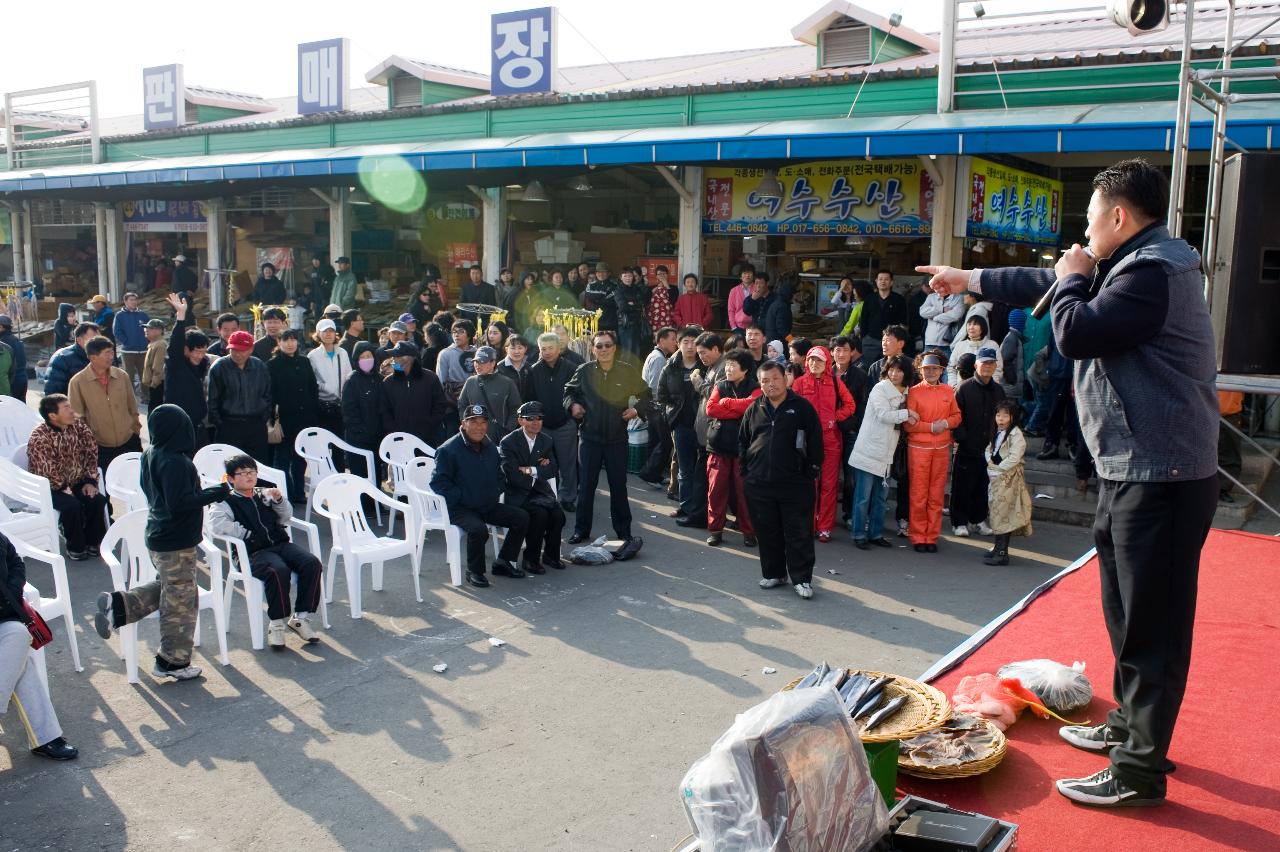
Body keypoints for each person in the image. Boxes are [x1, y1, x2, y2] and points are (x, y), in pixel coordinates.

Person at [918, 158, 1219, 807]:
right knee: (1125, 613)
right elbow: (1049, 280)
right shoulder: (1129, 265)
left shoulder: (1153, 272)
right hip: (1130, 467)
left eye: (1089, 219)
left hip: (1160, 473)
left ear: (1117, 216)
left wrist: (1072, 281)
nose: (1081, 236)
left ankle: (1140, 772)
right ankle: (1130, 730)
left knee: (1151, 627)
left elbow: (1076, 330)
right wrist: (967, 277)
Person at [94, 404, 231, 681]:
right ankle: (172, 662)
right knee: (181, 603)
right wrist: (218, 492)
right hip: (176, 542)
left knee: (172, 588)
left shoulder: (151, 453)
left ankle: (118, 607)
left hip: (158, 536)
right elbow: (179, 503)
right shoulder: (177, 462)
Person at [208, 454, 324, 647]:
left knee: (311, 563)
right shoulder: (225, 501)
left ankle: (301, 618)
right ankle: (276, 625)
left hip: (279, 544)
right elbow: (217, 525)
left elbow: (286, 517)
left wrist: (279, 501)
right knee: (278, 570)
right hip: (252, 551)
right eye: (243, 473)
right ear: (230, 478)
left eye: (252, 471)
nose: (249, 476)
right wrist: (247, 534)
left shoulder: (264, 494)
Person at [738, 360, 823, 599]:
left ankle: (802, 579)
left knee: (798, 532)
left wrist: (811, 470)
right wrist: (746, 471)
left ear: (785, 379)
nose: (771, 384)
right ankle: (774, 573)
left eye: (775, 378)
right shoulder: (755, 408)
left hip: (795, 483)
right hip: (759, 483)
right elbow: (743, 441)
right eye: (765, 381)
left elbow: (815, 443)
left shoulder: (802, 408)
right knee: (767, 531)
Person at [562, 330, 649, 558]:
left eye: (607, 345)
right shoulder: (585, 371)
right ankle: (581, 530)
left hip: (616, 439)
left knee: (618, 487)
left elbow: (646, 393)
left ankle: (624, 532)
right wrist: (573, 406)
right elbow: (568, 392)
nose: (603, 349)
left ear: (614, 348)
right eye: (598, 346)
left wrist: (636, 409)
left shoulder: (626, 371)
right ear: (592, 349)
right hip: (589, 438)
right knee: (587, 486)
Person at [430, 404, 530, 588]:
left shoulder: (489, 445)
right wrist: (462, 496)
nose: (479, 427)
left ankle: (504, 562)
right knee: (478, 530)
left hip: (486, 503)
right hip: (461, 508)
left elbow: (500, 475)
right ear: (463, 424)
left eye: (483, 422)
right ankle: (474, 571)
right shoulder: (448, 449)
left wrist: (493, 491)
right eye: (473, 422)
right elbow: (438, 483)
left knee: (521, 518)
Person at [0, 531, 78, 761]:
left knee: (18, 636)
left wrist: (12, 591)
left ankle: (45, 737)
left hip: (3, 620)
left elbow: (15, 561)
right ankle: (46, 737)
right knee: (21, 664)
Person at [27, 394, 109, 559]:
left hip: (77, 480)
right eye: (67, 408)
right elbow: (46, 469)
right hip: (49, 486)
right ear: (52, 416)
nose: (72, 412)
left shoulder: (78, 426)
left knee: (96, 499)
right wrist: (64, 487)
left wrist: (90, 481)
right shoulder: (39, 437)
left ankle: (94, 542)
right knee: (72, 506)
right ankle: (76, 547)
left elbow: (91, 453)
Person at [790, 345, 856, 542]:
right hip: (807, 440)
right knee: (809, 483)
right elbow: (792, 407)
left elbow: (850, 405)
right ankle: (807, 524)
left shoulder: (835, 382)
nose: (814, 363)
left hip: (831, 439)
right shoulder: (800, 383)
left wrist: (834, 418)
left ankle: (825, 527)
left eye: (819, 360)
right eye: (811, 359)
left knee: (828, 485)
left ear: (827, 362)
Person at [849, 356, 915, 549]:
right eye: (891, 369)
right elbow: (883, 415)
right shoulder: (880, 388)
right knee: (863, 497)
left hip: (887, 452)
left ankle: (875, 533)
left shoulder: (907, 393)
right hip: (869, 450)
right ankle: (859, 534)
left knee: (880, 497)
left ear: (906, 373)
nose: (894, 374)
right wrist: (907, 414)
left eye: (899, 370)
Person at [498, 401, 566, 574]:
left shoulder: (546, 440)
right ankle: (530, 559)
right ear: (520, 421)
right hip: (518, 492)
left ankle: (551, 556)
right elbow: (512, 474)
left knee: (558, 515)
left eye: (539, 418)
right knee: (540, 515)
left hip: (541, 491)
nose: (536, 423)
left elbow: (553, 469)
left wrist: (530, 469)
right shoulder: (509, 442)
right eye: (530, 419)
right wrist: (539, 471)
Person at [904, 350, 960, 553]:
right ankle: (919, 536)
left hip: (941, 448)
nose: (931, 372)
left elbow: (957, 416)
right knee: (919, 494)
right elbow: (909, 425)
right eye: (927, 369)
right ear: (920, 370)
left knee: (936, 495)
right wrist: (930, 427)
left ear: (941, 370)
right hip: (919, 448)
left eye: (934, 369)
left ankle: (932, 536)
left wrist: (946, 422)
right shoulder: (914, 392)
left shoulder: (947, 391)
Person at [704, 350, 760, 547]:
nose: (728, 369)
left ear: (744, 369)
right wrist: (736, 410)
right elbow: (711, 409)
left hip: (744, 450)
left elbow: (751, 406)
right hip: (718, 445)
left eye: (732, 365)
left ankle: (748, 531)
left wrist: (727, 403)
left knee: (745, 493)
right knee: (716, 491)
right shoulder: (720, 385)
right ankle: (715, 530)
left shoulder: (755, 387)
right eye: (727, 365)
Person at [951, 347, 1006, 537]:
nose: (988, 366)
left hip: (989, 448)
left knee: (983, 486)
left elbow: (1003, 417)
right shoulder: (964, 388)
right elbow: (955, 416)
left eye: (991, 363)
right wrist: (962, 437)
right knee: (962, 487)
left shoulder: (998, 390)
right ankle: (959, 522)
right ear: (976, 365)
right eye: (984, 363)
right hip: (967, 446)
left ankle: (979, 519)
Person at [68, 336, 143, 474]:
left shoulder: (121, 376)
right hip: (100, 447)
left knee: (136, 481)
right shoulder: (78, 382)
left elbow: (132, 406)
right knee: (105, 487)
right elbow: (77, 418)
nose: (111, 356)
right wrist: (88, 443)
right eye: (107, 353)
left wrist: (135, 430)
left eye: (112, 352)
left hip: (128, 440)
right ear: (93, 357)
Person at [527, 332, 580, 513]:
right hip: (542, 425)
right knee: (544, 464)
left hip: (565, 423)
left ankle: (568, 497)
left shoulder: (571, 368)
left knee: (568, 464)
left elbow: (577, 396)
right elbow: (530, 398)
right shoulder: (533, 370)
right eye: (543, 349)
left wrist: (572, 417)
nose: (547, 352)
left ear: (559, 348)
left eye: (551, 348)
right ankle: (547, 496)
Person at [657, 327, 703, 524]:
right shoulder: (671, 367)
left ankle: (701, 509)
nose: (690, 346)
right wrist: (672, 413)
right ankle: (686, 507)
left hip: (702, 425)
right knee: (685, 469)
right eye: (685, 342)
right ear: (678, 344)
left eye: (694, 342)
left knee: (702, 470)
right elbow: (662, 395)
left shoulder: (706, 366)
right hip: (681, 425)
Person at [268, 329, 320, 500]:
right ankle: (285, 492)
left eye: (293, 340)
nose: (290, 343)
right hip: (283, 418)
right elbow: (270, 393)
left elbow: (313, 388)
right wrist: (272, 417)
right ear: (279, 343)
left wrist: (313, 413)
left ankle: (299, 492)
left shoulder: (304, 362)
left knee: (300, 458)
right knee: (282, 459)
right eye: (286, 340)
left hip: (305, 418)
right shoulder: (272, 364)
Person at [207, 330, 273, 462]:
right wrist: (220, 424)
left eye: (242, 350)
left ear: (250, 349)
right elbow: (212, 400)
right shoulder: (219, 367)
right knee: (228, 466)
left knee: (258, 465)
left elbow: (267, 395)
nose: (237, 354)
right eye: (233, 350)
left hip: (256, 424)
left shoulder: (259, 366)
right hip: (229, 424)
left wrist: (263, 418)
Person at [984, 400, 1032, 566]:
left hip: (1008, 478)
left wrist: (998, 469)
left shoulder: (1016, 434)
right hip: (996, 475)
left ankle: (1002, 552)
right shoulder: (997, 432)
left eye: (1005, 415)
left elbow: (1015, 456)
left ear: (1013, 417)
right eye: (998, 415)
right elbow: (989, 449)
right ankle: (997, 547)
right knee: (996, 511)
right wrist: (990, 462)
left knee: (1003, 513)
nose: (1001, 418)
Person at [163, 294, 212, 447]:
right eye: (196, 351)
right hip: (177, 425)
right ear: (186, 349)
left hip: (198, 426)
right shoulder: (176, 365)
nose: (200, 356)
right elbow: (175, 344)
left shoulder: (203, 364)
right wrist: (181, 315)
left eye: (203, 351)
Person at [830, 335, 868, 529]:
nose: (842, 354)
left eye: (845, 350)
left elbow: (862, 406)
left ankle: (848, 513)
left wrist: (848, 424)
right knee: (826, 473)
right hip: (826, 431)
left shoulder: (860, 375)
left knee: (850, 475)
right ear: (831, 353)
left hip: (849, 429)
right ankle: (825, 513)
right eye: (837, 350)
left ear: (852, 352)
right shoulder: (825, 373)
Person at [380, 340, 446, 446]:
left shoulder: (430, 378)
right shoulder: (388, 382)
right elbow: (384, 410)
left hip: (428, 440)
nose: (392, 359)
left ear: (408, 358)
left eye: (396, 356)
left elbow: (440, 405)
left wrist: (429, 425)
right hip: (399, 440)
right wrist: (394, 430)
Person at [638, 328, 679, 487]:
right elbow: (655, 386)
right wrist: (662, 404)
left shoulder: (655, 355)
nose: (675, 342)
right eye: (672, 339)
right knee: (665, 442)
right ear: (661, 340)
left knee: (655, 440)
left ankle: (652, 475)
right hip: (656, 406)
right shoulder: (659, 359)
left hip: (651, 405)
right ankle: (650, 474)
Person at [343, 341, 385, 490]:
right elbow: (349, 411)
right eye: (362, 357)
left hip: (376, 436)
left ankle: (377, 506)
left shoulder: (379, 379)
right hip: (358, 437)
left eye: (369, 356)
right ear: (356, 360)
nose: (367, 360)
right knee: (360, 473)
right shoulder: (352, 380)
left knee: (375, 472)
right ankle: (363, 507)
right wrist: (361, 431)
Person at [458, 346, 521, 443]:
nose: (478, 365)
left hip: (499, 438)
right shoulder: (470, 382)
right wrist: (467, 426)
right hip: (474, 437)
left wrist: (508, 429)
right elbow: (462, 405)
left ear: (493, 363)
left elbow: (516, 409)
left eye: (482, 362)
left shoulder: (507, 383)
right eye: (476, 361)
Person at [308, 318, 352, 441]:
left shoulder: (342, 353)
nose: (328, 334)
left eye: (331, 331)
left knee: (341, 441)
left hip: (341, 404)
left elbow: (348, 375)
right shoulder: (313, 355)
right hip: (323, 405)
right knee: (324, 442)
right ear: (318, 334)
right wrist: (325, 387)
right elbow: (311, 381)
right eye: (324, 331)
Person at [859, 270, 909, 364]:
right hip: (871, 340)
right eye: (880, 279)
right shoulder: (869, 299)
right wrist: (864, 337)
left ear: (891, 282)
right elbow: (863, 320)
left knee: (891, 366)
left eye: (886, 279)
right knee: (868, 368)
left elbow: (903, 322)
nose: (883, 281)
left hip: (892, 341)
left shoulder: (899, 299)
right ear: (876, 281)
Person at [436, 320, 477, 433]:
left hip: (474, 400)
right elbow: (441, 380)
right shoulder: (445, 353)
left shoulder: (477, 351)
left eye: (461, 331)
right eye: (454, 332)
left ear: (469, 334)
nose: (456, 335)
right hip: (453, 402)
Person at [43, 322, 99, 396]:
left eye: (100, 339)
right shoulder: (62, 358)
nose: (99, 344)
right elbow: (53, 393)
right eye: (93, 340)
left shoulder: (102, 356)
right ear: (79, 340)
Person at [948, 315, 1002, 388]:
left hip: (986, 389)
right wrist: (954, 386)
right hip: (962, 388)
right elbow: (951, 368)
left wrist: (992, 386)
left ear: (982, 328)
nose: (971, 327)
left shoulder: (992, 345)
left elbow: (998, 368)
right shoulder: (960, 345)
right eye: (969, 324)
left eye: (975, 324)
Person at [112, 292, 150, 391]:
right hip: (128, 351)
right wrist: (127, 342)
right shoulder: (120, 315)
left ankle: (146, 396)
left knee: (145, 375)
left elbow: (150, 329)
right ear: (125, 301)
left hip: (143, 350)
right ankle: (130, 397)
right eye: (131, 300)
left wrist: (147, 341)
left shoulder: (143, 315)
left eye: (135, 300)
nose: (134, 302)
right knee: (129, 376)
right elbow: (117, 331)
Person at [919, 288, 965, 363]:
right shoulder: (931, 297)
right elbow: (922, 312)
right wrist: (942, 309)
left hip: (947, 344)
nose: (939, 288)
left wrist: (935, 317)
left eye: (942, 286)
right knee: (927, 368)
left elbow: (956, 315)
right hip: (930, 342)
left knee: (946, 372)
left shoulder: (958, 298)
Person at [613, 268, 648, 356]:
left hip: (638, 323)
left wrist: (632, 304)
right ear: (621, 277)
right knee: (627, 352)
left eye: (630, 276)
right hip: (625, 324)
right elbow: (623, 306)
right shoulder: (618, 290)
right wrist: (633, 305)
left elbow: (642, 303)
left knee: (637, 351)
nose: (628, 278)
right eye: (625, 276)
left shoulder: (637, 289)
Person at [1000, 309, 1028, 403]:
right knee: (1010, 412)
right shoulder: (1012, 338)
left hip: (1011, 387)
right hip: (1009, 387)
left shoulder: (1014, 337)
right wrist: (1012, 380)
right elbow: (1006, 360)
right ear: (1021, 322)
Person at [581, 263, 618, 331]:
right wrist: (603, 294)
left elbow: (611, 301)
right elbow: (589, 296)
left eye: (604, 272)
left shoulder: (615, 286)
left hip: (610, 323)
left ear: (608, 273)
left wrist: (597, 300)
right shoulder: (591, 285)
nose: (601, 274)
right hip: (594, 323)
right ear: (596, 273)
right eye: (598, 272)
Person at [140, 318, 167, 408]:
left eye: (150, 328)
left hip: (157, 384)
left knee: (155, 407)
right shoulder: (154, 343)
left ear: (159, 331)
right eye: (146, 328)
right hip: (153, 382)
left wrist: (154, 384)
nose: (146, 330)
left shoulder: (160, 344)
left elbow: (158, 367)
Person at [645, 265, 676, 338]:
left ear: (667, 275)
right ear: (656, 276)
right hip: (654, 320)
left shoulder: (674, 288)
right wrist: (652, 292)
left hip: (668, 319)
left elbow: (674, 301)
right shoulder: (651, 288)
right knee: (655, 339)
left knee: (668, 338)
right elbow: (646, 302)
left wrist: (666, 285)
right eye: (659, 274)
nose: (662, 276)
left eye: (664, 274)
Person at [726, 265, 755, 334]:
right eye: (744, 273)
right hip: (738, 327)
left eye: (750, 273)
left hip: (754, 326)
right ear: (740, 276)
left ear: (753, 275)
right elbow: (731, 310)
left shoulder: (757, 289)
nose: (747, 275)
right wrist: (733, 327)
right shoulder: (734, 291)